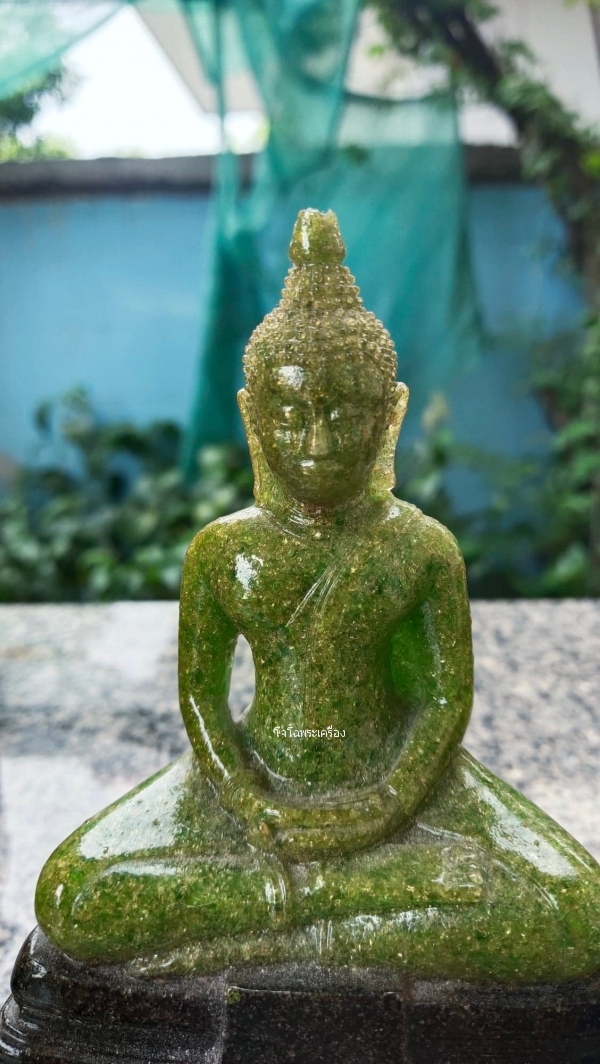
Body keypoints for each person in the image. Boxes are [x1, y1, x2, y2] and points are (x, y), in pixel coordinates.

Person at [36, 209, 600, 984]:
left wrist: (390, 802)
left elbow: (443, 698)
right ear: (253, 415)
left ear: (389, 413)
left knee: (576, 913)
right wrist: (243, 797)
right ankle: (358, 904)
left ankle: (286, 926)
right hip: (256, 781)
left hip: (402, 786)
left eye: (344, 414)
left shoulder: (423, 549)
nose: (318, 443)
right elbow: (201, 694)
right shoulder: (223, 551)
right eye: (292, 414)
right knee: (73, 896)